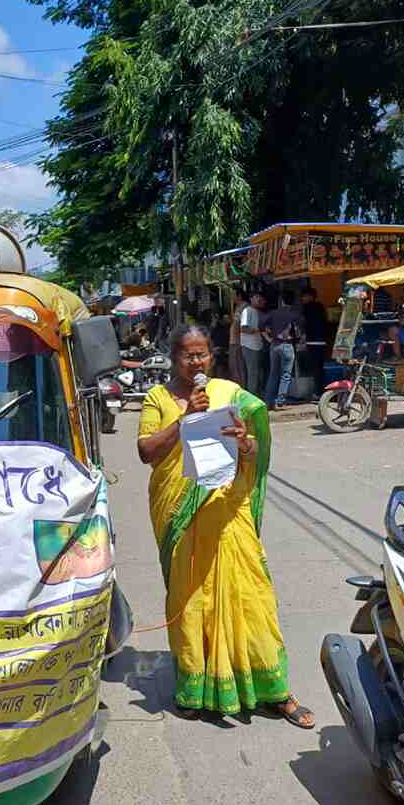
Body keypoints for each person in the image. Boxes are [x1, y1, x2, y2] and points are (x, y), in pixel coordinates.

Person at [137, 323, 314, 726]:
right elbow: (146, 451)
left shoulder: (230, 394)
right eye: (188, 355)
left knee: (253, 599)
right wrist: (184, 419)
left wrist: (243, 442)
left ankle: (276, 691)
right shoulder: (158, 397)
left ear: (210, 356)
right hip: (181, 516)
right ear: (174, 356)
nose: (195, 361)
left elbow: (253, 448)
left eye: (202, 354)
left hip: (229, 512)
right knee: (192, 601)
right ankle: (196, 690)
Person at [261, 291, 304, 411]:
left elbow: (260, 325)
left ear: (281, 301)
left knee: (273, 374)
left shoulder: (273, 313)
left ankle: (268, 401)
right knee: (285, 375)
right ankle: (280, 402)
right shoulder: (294, 315)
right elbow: (299, 332)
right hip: (287, 345)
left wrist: (268, 338)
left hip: (274, 345)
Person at [300, 286, 328, 401]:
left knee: (315, 368)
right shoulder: (321, 307)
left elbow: (303, 324)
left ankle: (318, 392)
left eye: (304, 296)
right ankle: (321, 391)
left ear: (310, 296)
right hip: (322, 341)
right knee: (319, 368)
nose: (302, 299)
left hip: (312, 342)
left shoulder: (306, 308)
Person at [239, 289, 267, 398]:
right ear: (251, 299)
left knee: (257, 373)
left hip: (257, 345)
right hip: (249, 346)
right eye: (256, 297)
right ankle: (252, 398)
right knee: (253, 373)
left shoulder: (256, 311)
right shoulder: (247, 310)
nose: (259, 299)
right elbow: (243, 328)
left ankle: (257, 396)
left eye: (260, 297)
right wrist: (259, 330)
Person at [228, 290, 248, 387]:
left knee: (238, 367)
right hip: (234, 341)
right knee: (235, 367)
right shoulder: (238, 307)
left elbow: (240, 325)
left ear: (239, 296)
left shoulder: (244, 307)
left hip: (237, 342)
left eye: (234, 295)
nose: (232, 297)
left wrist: (239, 342)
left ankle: (241, 388)